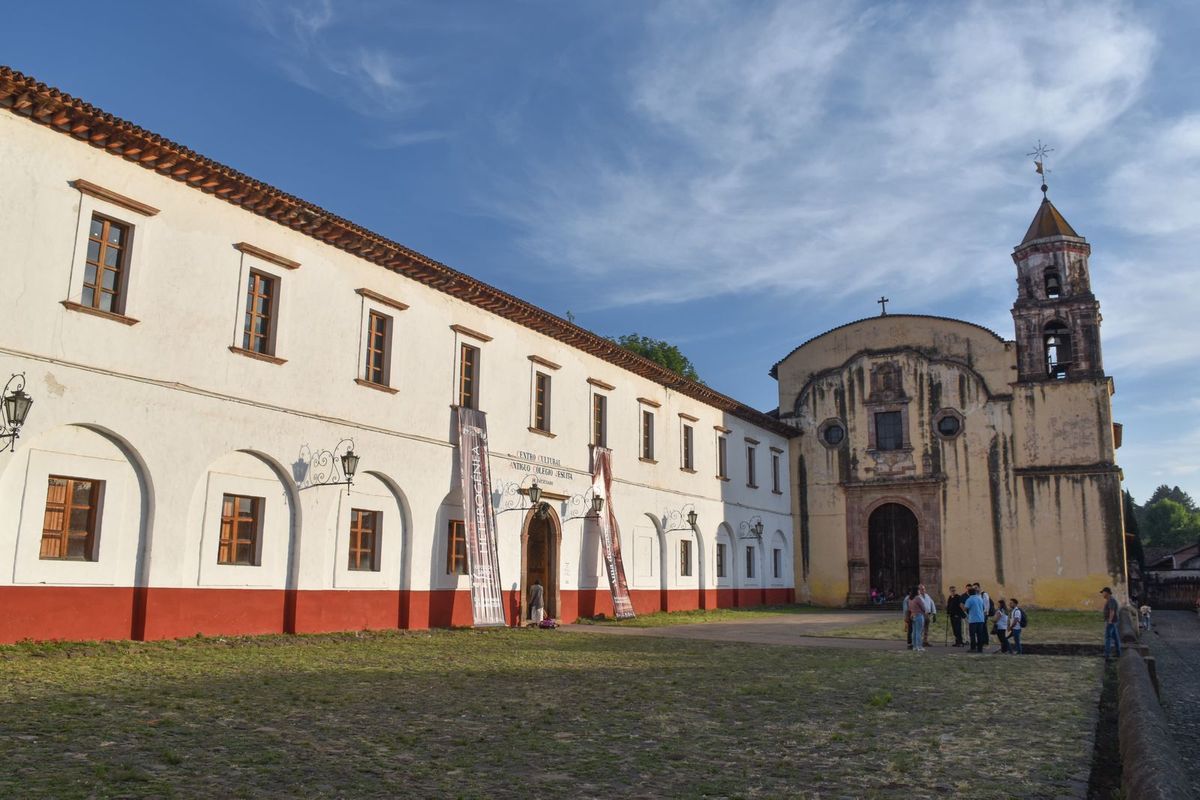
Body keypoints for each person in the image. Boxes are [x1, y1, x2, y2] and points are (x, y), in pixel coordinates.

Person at [964, 586, 987, 653]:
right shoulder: (980, 598)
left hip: (973, 619)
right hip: (981, 619)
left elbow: (965, 608)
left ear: (968, 593)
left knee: (972, 635)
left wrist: (963, 607)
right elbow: (983, 607)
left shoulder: (969, 599)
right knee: (980, 634)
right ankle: (980, 649)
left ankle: (973, 648)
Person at [1101, 587, 1120, 659]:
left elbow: (1112, 611)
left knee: (1108, 637)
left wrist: (1109, 621)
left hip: (1111, 622)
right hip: (1113, 621)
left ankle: (1107, 654)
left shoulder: (1111, 600)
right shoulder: (1110, 600)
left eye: (1103, 592)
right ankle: (1118, 653)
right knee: (1116, 638)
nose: (1102, 594)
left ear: (1106, 592)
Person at [906, 587, 926, 652]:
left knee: (914, 632)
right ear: (916, 591)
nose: (919, 591)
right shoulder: (917, 598)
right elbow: (923, 607)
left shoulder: (909, 599)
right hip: (919, 615)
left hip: (912, 615)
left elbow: (909, 608)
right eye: (918, 590)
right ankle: (919, 646)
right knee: (919, 632)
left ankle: (914, 646)